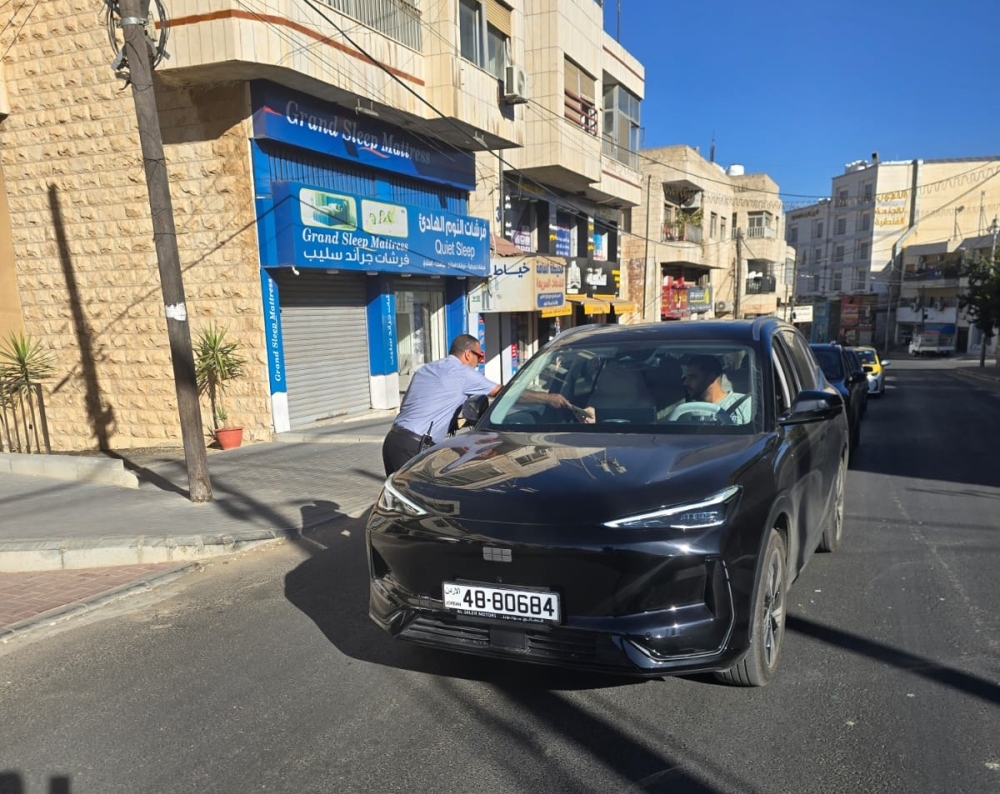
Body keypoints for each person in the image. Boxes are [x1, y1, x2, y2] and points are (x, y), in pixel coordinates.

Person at [382, 334, 575, 476]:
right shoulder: (463, 373)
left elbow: (417, 406)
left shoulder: (426, 369)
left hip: (393, 440)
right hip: (415, 447)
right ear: (467, 354)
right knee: (415, 502)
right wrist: (548, 398)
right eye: (479, 356)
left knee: (398, 500)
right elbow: (504, 394)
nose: (479, 362)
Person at [659, 354, 752, 425]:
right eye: (686, 377)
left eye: (692, 377)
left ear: (711, 378)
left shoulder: (745, 404)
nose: (685, 383)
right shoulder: (684, 411)